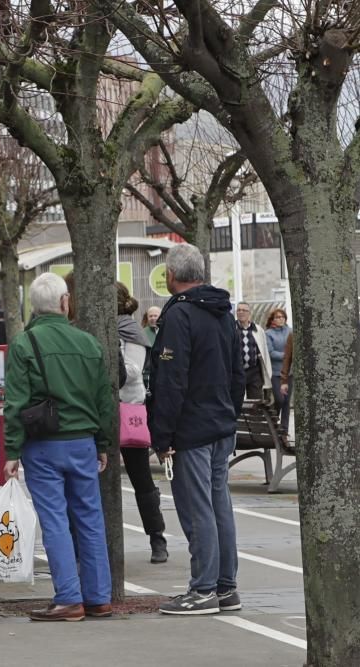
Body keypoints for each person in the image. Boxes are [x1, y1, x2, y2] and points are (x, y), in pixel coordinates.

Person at [3, 272, 114, 622]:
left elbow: (16, 403)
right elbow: (105, 401)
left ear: (34, 306)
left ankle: (68, 597)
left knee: (54, 520)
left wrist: (12, 451)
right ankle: (99, 596)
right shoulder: (89, 343)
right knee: (91, 519)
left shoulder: (24, 344)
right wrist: (104, 443)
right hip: (82, 442)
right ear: (65, 302)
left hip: (43, 445)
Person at [148, 244, 244, 615]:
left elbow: (171, 380)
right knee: (220, 505)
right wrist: (229, 415)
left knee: (197, 508)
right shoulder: (224, 313)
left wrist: (163, 435)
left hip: (192, 428)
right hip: (221, 424)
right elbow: (238, 373)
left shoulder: (180, 316)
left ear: (171, 276)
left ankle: (202, 589)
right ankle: (225, 587)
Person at [116, 283, 168, 564]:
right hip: (101, 410)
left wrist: (112, 356)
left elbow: (134, 371)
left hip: (128, 408)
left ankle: (157, 537)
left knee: (141, 478)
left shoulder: (130, 332)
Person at [235, 302, 271, 400]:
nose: (241, 312)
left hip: (254, 371)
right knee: (237, 399)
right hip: (237, 371)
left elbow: (264, 350)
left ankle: (254, 416)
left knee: (256, 401)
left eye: (244, 310)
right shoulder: (231, 328)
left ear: (249, 313)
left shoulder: (258, 330)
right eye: (239, 310)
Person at [265, 308, 291, 429]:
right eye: (277, 317)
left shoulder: (291, 331)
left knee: (286, 402)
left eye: (282, 317)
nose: (280, 319)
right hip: (276, 373)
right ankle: (273, 423)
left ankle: (284, 431)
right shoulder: (268, 333)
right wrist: (286, 356)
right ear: (273, 319)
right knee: (280, 399)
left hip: (289, 373)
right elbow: (270, 352)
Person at [280, 333, 293, 432]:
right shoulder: (292, 335)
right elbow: (287, 358)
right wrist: (284, 380)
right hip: (293, 376)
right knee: (285, 402)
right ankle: (284, 432)